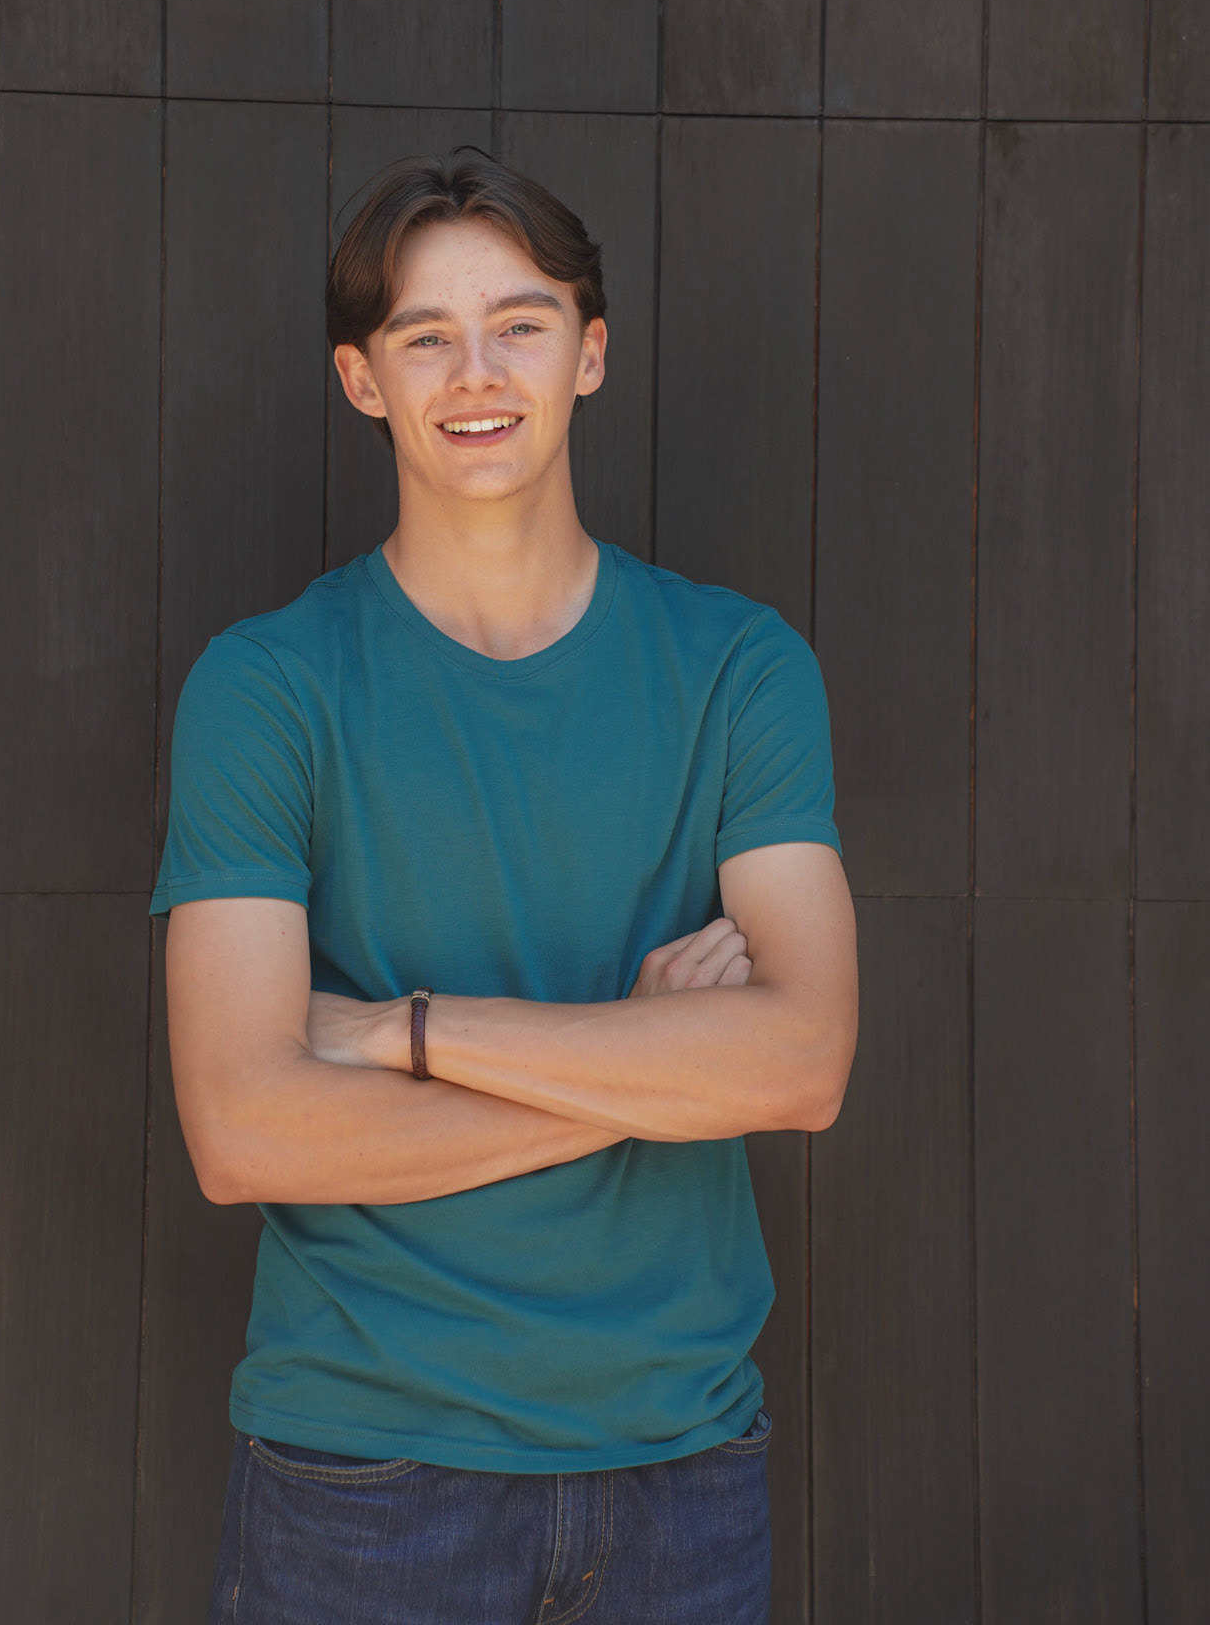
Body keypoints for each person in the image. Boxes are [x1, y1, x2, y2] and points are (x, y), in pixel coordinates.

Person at [151, 151, 858, 1625]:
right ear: (362, 379)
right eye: (425, 336)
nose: (476, 374)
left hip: (680, 1468)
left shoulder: (740, 668)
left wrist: (399, 1031)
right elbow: (243, 1130)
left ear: (588, 351)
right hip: (361, 1477)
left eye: (520, 324)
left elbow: (801, 1063)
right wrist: (653, 1064)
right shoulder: (266, 688)